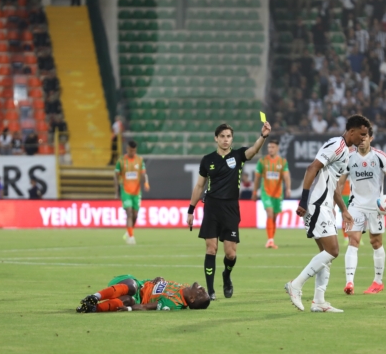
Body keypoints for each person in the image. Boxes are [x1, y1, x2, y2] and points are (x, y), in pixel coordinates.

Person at [285, 115, 371, 313]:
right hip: (316, 204)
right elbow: (312, 168)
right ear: (351, 131)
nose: (364, 139)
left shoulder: (346, 152)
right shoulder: (336, 145)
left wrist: (344, 210)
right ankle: (295, 285)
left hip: (326, 205)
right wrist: (304, 200)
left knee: (326, 255)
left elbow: (333, 187)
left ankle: (319, 301)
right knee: (333, 251)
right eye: (362, 134)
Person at [187, 121, 271, 300]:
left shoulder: (238, 155)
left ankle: (226, 275)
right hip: (211, 207)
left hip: (231, 208)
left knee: (230, 254)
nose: (226, 140)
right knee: (211, 249)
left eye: (229, 137)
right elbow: (199, 185)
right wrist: (191, 210)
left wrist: (263, 136)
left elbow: (254, 150)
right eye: (222, 137)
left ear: (232, 139)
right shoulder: (208, 160)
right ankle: (210, 291)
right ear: (216, 138)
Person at [337, 130, 386, 297]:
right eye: (360, 138)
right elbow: (340, 183)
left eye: (365, 138)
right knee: (353, 240)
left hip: (375, 207)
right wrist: (341, 207)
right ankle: (349, 282)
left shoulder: (380, 156)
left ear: (371, 138)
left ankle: (378, 282)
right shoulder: (349, 157)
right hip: (355, 205)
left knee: (375, 242)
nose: (362, 141)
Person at [75, 275, 210, 313]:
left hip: (136, 298)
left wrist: (128, 309)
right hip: (133, 283)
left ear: (192, 299)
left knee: (128, 299)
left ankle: (92, 308)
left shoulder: (174, 303)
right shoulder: (186, 287)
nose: (203, 289)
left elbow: (147, 307)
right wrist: (159, 278)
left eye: (201, 293)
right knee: (132, 287)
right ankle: (95, 296)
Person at [253, 140, 291, 249]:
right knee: (269, 213)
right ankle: (269, 240)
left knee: (274, 217)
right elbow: (257, 178)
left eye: (273, 147)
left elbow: (286, 176)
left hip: (278, 194)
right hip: (266, 193)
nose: (270, 149)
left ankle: (271, 239)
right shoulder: (262, 161)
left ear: (277, 148)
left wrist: (288, 188)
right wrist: (255, 191)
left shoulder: (283, 162)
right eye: (269, 147)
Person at [114, 141, 149, 245]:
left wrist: (146, 182)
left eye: (134, 150)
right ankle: (131, 237)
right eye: (130, 150)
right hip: (125, 191)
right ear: (127, 149)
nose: (132, 152)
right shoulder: (121, 161)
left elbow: (143, 174)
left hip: (136, 192)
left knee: (135, 215)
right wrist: (116, 190)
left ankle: (129, 231)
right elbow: (116, 175)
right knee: (129, 212)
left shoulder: (140, 160)